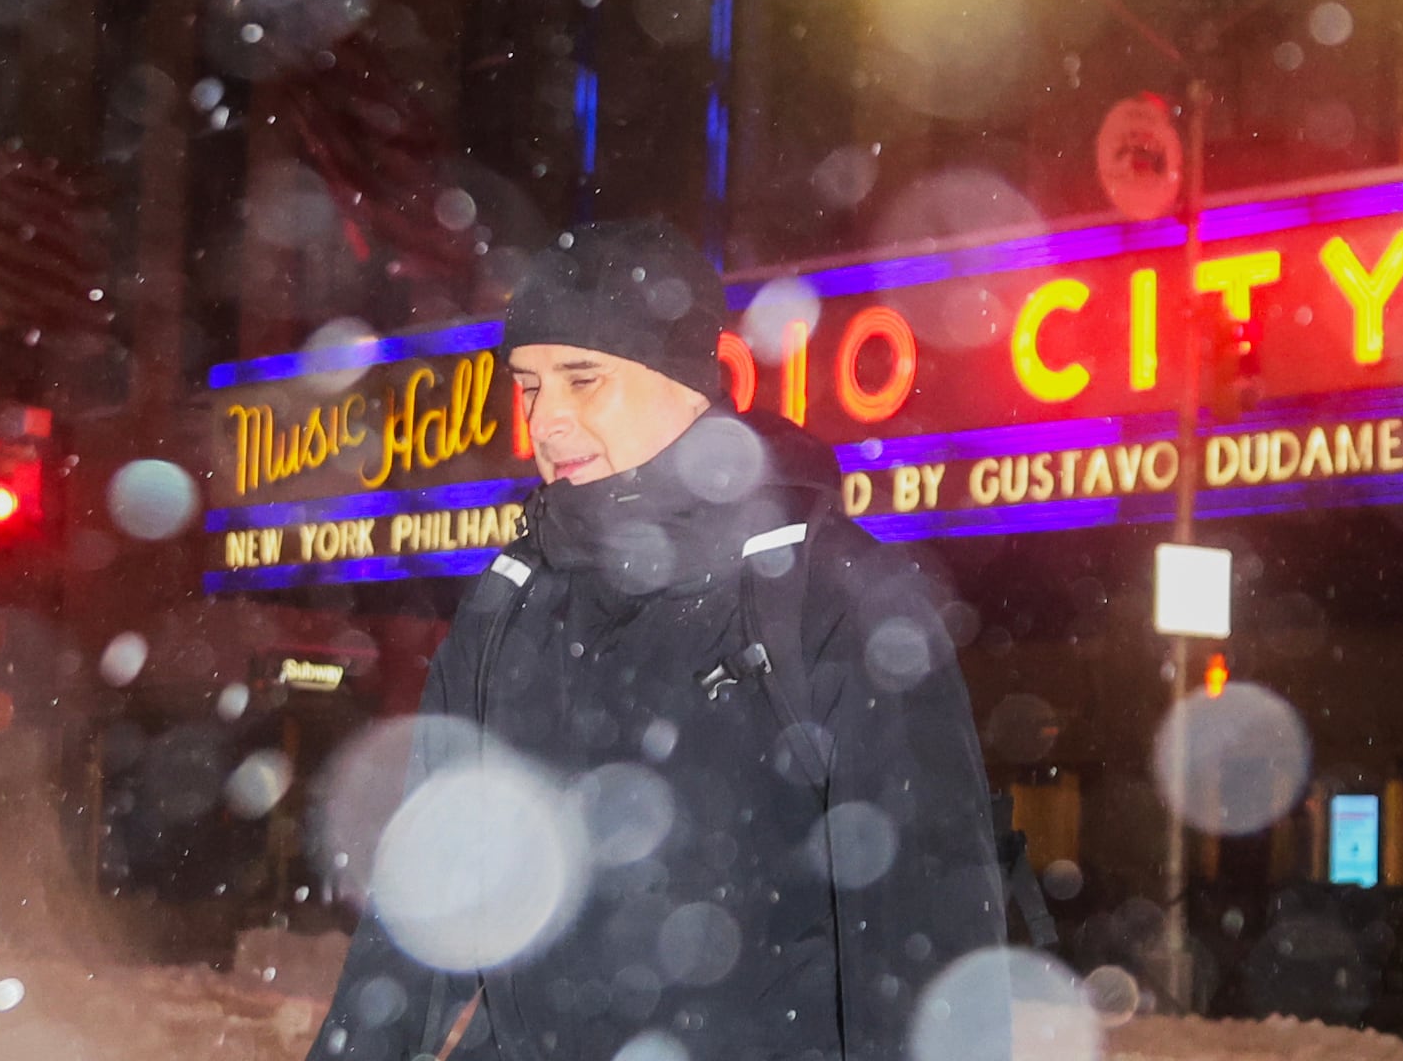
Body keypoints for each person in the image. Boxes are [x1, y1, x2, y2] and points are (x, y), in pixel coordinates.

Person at [307, 222, 1005, 1061]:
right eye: (529, 387)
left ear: (686, 383)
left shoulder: (835, 598)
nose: (547, 421)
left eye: (583, 380)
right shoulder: (508, 606)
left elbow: (923, 938)